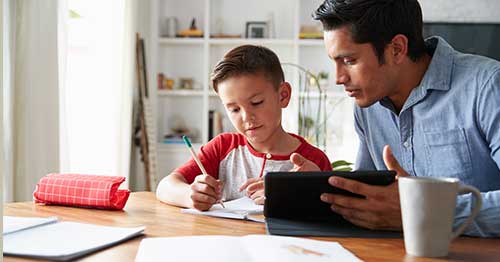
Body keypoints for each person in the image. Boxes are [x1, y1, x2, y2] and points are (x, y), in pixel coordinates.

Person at [290, 0, 500, 237]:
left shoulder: (487, 86)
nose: (338, 78)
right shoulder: (367, 105)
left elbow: (405, 211)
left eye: (349, 61)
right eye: (334, 61)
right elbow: (369, 197)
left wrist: (422, 211)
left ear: (397, 49)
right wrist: (316, 189)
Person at [156, 45, 332, 211]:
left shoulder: (313, 160)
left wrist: (307, 191)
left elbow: (331, 215)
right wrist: (190, 195)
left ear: (283, 95)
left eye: (256, 103)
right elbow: (165, 186)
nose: (247, 117)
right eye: (234, 109)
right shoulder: (222, 148)